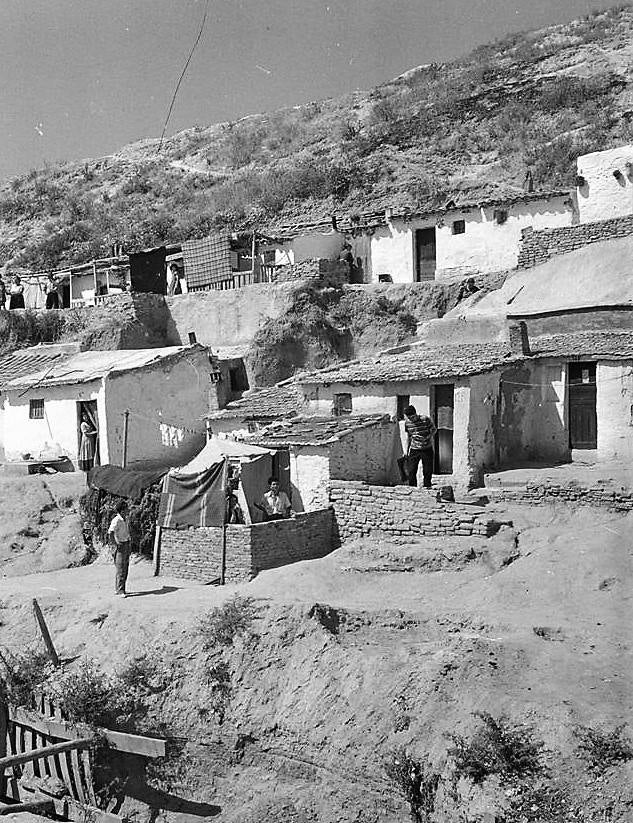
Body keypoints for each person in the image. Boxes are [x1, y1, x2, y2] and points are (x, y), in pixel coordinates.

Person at [401, 404, 436, 489]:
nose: (411, 419)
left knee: (427, 470)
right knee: (411, 470)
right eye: (409, 418)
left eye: (412, 417)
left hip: (426, 448)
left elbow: (434, 430)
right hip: (414, 449)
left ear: (416, 414)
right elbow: (409, 437)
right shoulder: (407, 423)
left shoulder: (425, 419)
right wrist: (406, 451)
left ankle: (427, 487)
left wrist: (428, 437)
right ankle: (412, 489)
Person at [108, 500, 131, 597]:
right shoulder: (116, 520)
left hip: (126, 543)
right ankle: (120, 590)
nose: (128, 510)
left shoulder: (124, 519)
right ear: (122, 511)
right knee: (121, 568)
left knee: (125, 567)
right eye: (126, 509)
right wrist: (115, 543)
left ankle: (119, 588)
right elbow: (110, 532)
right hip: (120, 545)